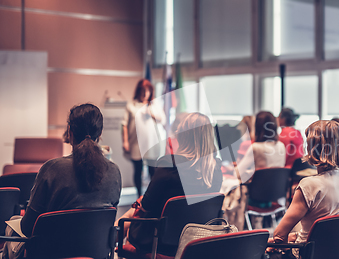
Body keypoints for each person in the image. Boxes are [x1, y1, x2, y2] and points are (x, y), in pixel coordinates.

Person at [3, 103, 122, 259]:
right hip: (96, 254)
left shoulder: (51, 169)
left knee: (11, 227)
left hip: (49, 254)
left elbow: (28, 228)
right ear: (100, 134)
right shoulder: (114, 172)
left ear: (70, 133)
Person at [119, 112, 223, 256]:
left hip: (159, 241)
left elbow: (147, 206)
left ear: (182, 136)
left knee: (130, 214)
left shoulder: (169, 164)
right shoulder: (215, 169)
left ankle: (104, 244)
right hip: (197, 241)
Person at [267, 120, 339, 259]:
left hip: (311, 254)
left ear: (313, 148)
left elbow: (280, 236)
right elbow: (335, 229)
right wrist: (293, 237)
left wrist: (282, 243)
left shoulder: (309, 186)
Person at [122, 79, 166, 197]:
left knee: (153, 171)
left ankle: (151, 195)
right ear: (138, 91)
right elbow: (124, 124)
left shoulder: (155, 105)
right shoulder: (131, 105)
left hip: (152, 144)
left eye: (147, 91)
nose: (145, 93)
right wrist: (125, 141)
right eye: (142, 90)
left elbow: (163, 119)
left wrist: (151, 113)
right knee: (138, 170)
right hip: (136, 143)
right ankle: (139, 195)